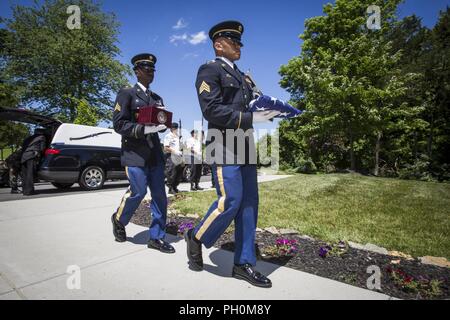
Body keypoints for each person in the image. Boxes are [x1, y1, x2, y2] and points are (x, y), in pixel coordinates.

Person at [184, 21, 280, 288]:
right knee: (231, 200)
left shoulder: (244, 77)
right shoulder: (210, 70)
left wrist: (269, 112)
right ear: (219, 44)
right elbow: (211, 111)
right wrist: (250, 117)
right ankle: (196, 237)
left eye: (239, 42)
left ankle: (243, 263)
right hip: (223, 145)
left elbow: (251, 105)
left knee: (249, 205)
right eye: (234, 42)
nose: (239, 46)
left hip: (245, 146)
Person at [111, 53, 175, 254]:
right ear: (137, 71)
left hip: (154, 153)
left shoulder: (157, 98)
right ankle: (119, 219)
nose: (151, 73)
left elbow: (161, 122)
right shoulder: (127, 93)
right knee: (138, 191)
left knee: (159, 196)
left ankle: (156, 237)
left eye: (153, 70)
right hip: (134, 152)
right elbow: (119, 124)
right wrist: (142, 129)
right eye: (147, 69)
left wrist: (162, 124)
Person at [20, 128, 47, 196]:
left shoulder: (28, 138)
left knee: (24, 174)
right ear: (41, 132)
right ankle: (29, 191)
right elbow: (42, 148)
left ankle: (24, 191)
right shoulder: (42, 137)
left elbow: (23, 147)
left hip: (24, 156)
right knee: (30, 174)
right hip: (31, 156)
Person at [163, 123, 184, 195]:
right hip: (171, 156)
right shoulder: (168, 136)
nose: (175, 129)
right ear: (171, 128)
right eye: (174, 128)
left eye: (176, 128)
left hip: (178, 156)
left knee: (178, 173)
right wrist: (175, 151)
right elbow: (166, 148)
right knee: (172, 172)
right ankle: (170, 188)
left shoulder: (178, 136)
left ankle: (175, 187)